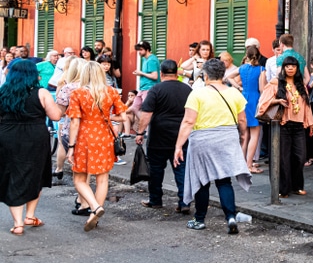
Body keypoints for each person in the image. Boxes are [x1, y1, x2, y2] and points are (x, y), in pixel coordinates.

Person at [175, 58, 250, 234]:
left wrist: (179, 146)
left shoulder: (197, 94)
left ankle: (199, 219)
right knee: (224, 180)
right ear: (223, 75)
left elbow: (188, 121)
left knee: (202, 180)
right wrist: (243, 136)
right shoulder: (234, 94)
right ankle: (230, 217)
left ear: (206, 75)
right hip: (227, 137)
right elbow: (242, 120)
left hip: (203, 139)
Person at [0, 60, 63, 235]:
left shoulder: (2, 92)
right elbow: (56, 116)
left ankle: (18, 223)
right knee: (36, 174)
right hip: (35, 136)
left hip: (8, 136)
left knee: (12, 175)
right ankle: (30, 215)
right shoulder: (41, 93)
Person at [67, 61, 130, 232]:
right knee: (102, 178)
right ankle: (94, 215)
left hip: (85, 137)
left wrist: (71, 147)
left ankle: (94, 207)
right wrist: (109, 119)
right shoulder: (110, 92)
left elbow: (74, 122)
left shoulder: (78, 93)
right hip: (105, 137)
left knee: (79, 178)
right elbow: (123, 117)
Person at [135, 60, 191, 213]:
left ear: (161, 73)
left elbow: (146, 115)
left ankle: (155, 200)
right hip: (181, 136)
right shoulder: (187, 89)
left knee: (156, 170)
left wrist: (140, 133)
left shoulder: (156, 89)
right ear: (176, 72)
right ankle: (184, 202)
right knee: (181, 170)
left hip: (158, 136)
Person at [258, 56, 313, 198]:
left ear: (297, 68)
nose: (290, 68)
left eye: (293, 66)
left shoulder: (300, 84)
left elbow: (307, 106)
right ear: (283, 68)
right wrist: (276, 100)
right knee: (282, 158)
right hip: (282, 125)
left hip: (298, 126)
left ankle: (296, 186)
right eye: (288, 66)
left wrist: (311, 122)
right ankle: (282, 189)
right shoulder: (275, 83)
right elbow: (262, 102)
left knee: (300, 157)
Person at [239, 45, 266, 173]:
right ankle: (249, 165)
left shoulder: (242, 68)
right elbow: (261, 88)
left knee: (245, 134)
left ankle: (242, 163)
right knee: (255, 134)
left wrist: (240, 88)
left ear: (247, 56)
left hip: (243, 98)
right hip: (255, 99)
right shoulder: (261, 69)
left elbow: (229, 77)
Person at [133, 41, 161, 107]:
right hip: (143, 88)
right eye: (138, 50)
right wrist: (140, 74)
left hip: (149, 88)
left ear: (147, 49)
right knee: (135, 107)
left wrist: (141, 73)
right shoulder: (144, 59)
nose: (139, 52)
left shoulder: (151, 60)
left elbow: (155, 76)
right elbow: (147, 74)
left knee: (146, 109)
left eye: (141, 50)